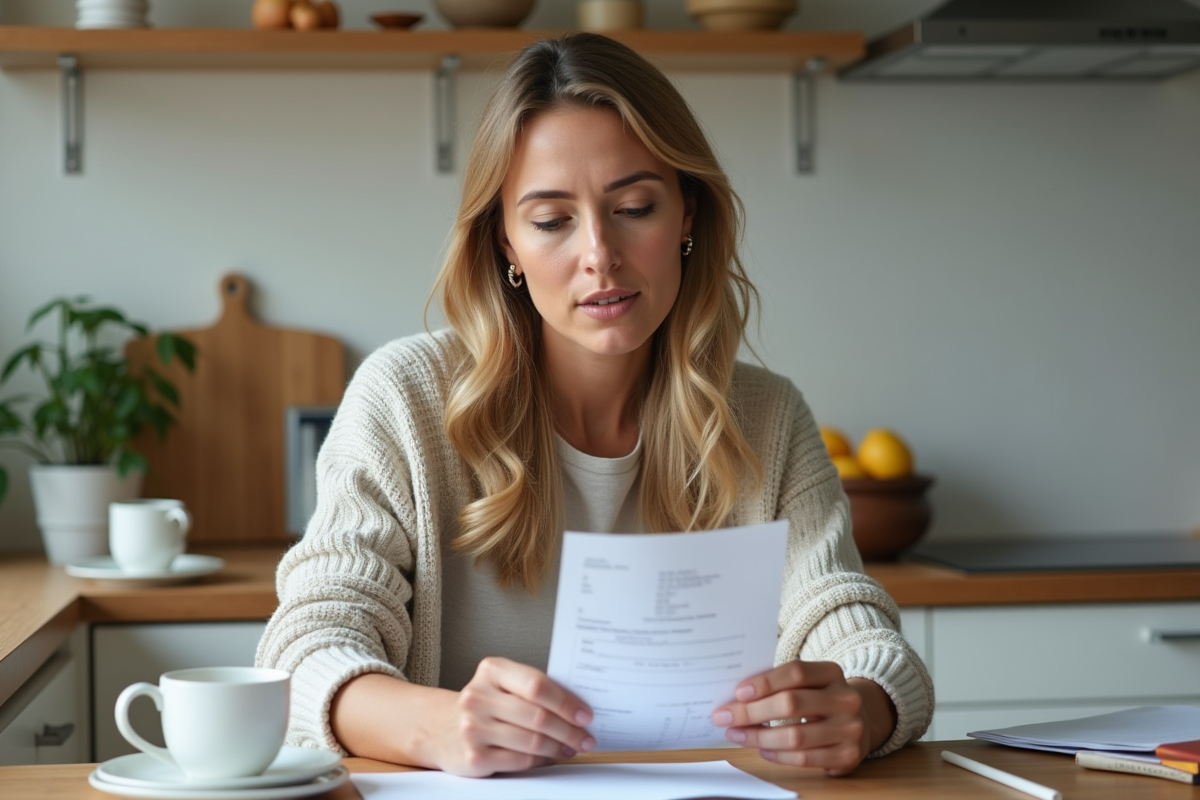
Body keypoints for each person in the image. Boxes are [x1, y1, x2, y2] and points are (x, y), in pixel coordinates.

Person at [256, 32, 933, 779]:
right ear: (506, 245)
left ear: (687, 216)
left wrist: (865, 709)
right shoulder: (404, 399)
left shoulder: (766, 418)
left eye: (635, 206)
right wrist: (439, 726)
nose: (600, 254)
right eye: (551, 221)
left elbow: (851, 627)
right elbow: (310, 644)